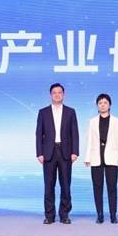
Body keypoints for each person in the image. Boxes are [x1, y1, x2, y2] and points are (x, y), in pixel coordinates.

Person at [35, 83, 79, 224]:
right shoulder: (43, 112)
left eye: (60, 92)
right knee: (49, 186)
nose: (57, 95)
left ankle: (64, 215)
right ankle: (49, 216)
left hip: (66, 152)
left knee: (65, 185)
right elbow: (38, 134)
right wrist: (39, 153)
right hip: (49, 152)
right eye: (54, 92)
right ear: (50, 95)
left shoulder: (70, 112)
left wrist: (75, 151)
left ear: (63, 94)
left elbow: (75, 133)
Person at [84, 93, 118, 224]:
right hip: (96, 157)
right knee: (97, 187)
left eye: (105, 102)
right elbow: (89, 140)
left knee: (112, 187)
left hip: (112, 157)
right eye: (100, 103)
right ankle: (100, 215)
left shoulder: (116, 121)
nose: (102, 105)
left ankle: (113, 215)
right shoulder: (92, 121)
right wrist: (87, 157)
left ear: (110, 105)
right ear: (97, 105)